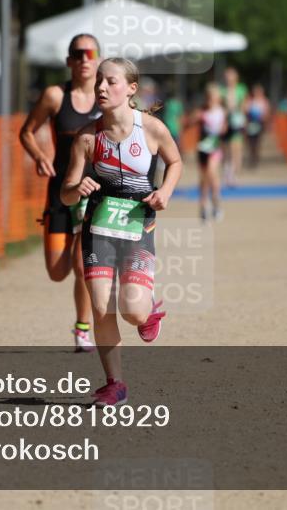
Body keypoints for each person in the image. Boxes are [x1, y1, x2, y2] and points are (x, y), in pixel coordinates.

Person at [61, 57, 183, 406]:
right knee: (101, 306)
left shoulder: (152, 129)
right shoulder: (87, 137)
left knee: (132, 311)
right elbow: (65, 191)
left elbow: (175, 161)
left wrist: (165, 192)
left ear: (131, 88)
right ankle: (115, 383)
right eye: (99, 81)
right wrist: (77, 189)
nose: (101, 87)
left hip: (137, 226)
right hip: (98, 227)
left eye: (110, 81)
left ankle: (149, 314)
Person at [19, 34, 102, 352]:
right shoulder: (55, 96)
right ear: (69, 61)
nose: (84, 59)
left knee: (82, 266)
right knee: (57, 271)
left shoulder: (107, 95)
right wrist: (40, 156)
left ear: (98, 58)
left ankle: (83, 329)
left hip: (93, 193)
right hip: (59, 191)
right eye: (78, 54)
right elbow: (26, 131)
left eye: (90, 53)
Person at [196, 83, 227, 222]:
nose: (211, 100)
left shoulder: (222, 112)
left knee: (212, 174)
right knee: (204, 179)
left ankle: (216, 205)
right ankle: (203, 207)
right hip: (202, 149)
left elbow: (225, 129)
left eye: (213, 97)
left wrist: (221, 130)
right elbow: (189, 122)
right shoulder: (202, 111)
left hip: (215, 149)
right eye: (209, 97)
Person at [220, 67, 248, 186]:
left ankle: (233, 173)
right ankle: (227, 171)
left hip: (237, 121)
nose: (229, 78)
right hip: (225, 122)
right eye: (227, 76)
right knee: (225, 149)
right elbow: (221, 106)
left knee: (235, 148)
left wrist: (243, 118)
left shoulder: (241, 89)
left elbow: (244, 106)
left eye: (231, 75)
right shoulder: (222, 90)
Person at [245, 83, 270, 170]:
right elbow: (246, 112)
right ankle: (252, 157)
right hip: (251, 124)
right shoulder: (250, 101)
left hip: (259, 124)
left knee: (257, 142)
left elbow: (267, 113)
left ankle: (255, 159)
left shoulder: (264, 101)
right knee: (251, 142)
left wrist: (263, 119)